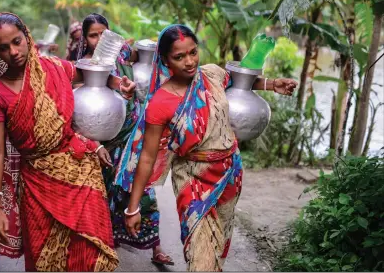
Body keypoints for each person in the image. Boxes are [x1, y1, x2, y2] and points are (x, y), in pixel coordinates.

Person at [117, 24, 298, 271]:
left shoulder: (212, 75)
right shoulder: (160, 102)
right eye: (179, 57)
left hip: (229, 172)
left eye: (193, 52)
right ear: (165, 60)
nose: (189, 61)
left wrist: (272, 84)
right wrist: (133, 208)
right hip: (193, 180)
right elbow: (147, 157)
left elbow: (238, 81)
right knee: (200, 256)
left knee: (217, 247)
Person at [0, 12, 136, 271]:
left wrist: (120, 84)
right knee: (45, 261)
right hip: (37, 183)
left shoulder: (55, 68)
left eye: (17, 41)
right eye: (3, 48)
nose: (13, 52)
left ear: (27, 37)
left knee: (91, 255)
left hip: (82, 171)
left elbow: (91, 76)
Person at [76, 13, 174, 266]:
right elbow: (77, 115)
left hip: (134, 135)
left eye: (103, 34)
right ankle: (106, 245)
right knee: (106, 195)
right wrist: (95, 145)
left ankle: (156, 248)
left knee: (144, 193)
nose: (98, 40)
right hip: (105, 143)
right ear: (85, 39)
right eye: (92, 35)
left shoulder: (122, 54)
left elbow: (146, 61)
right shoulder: (84, 66)